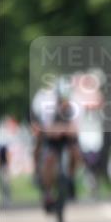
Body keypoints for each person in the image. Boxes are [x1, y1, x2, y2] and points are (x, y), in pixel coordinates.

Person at [30, 79, 81, 212]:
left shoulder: (76, 105)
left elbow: (75, 128)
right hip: (51, 138)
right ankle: (46, 190)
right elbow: (46, 129)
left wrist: (61, 130)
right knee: (48, 157)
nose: (64, 103)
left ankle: (70, 179)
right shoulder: (49, 105)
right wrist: (58, 130)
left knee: (76, 154)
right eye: (62, 100)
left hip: (67, 137)